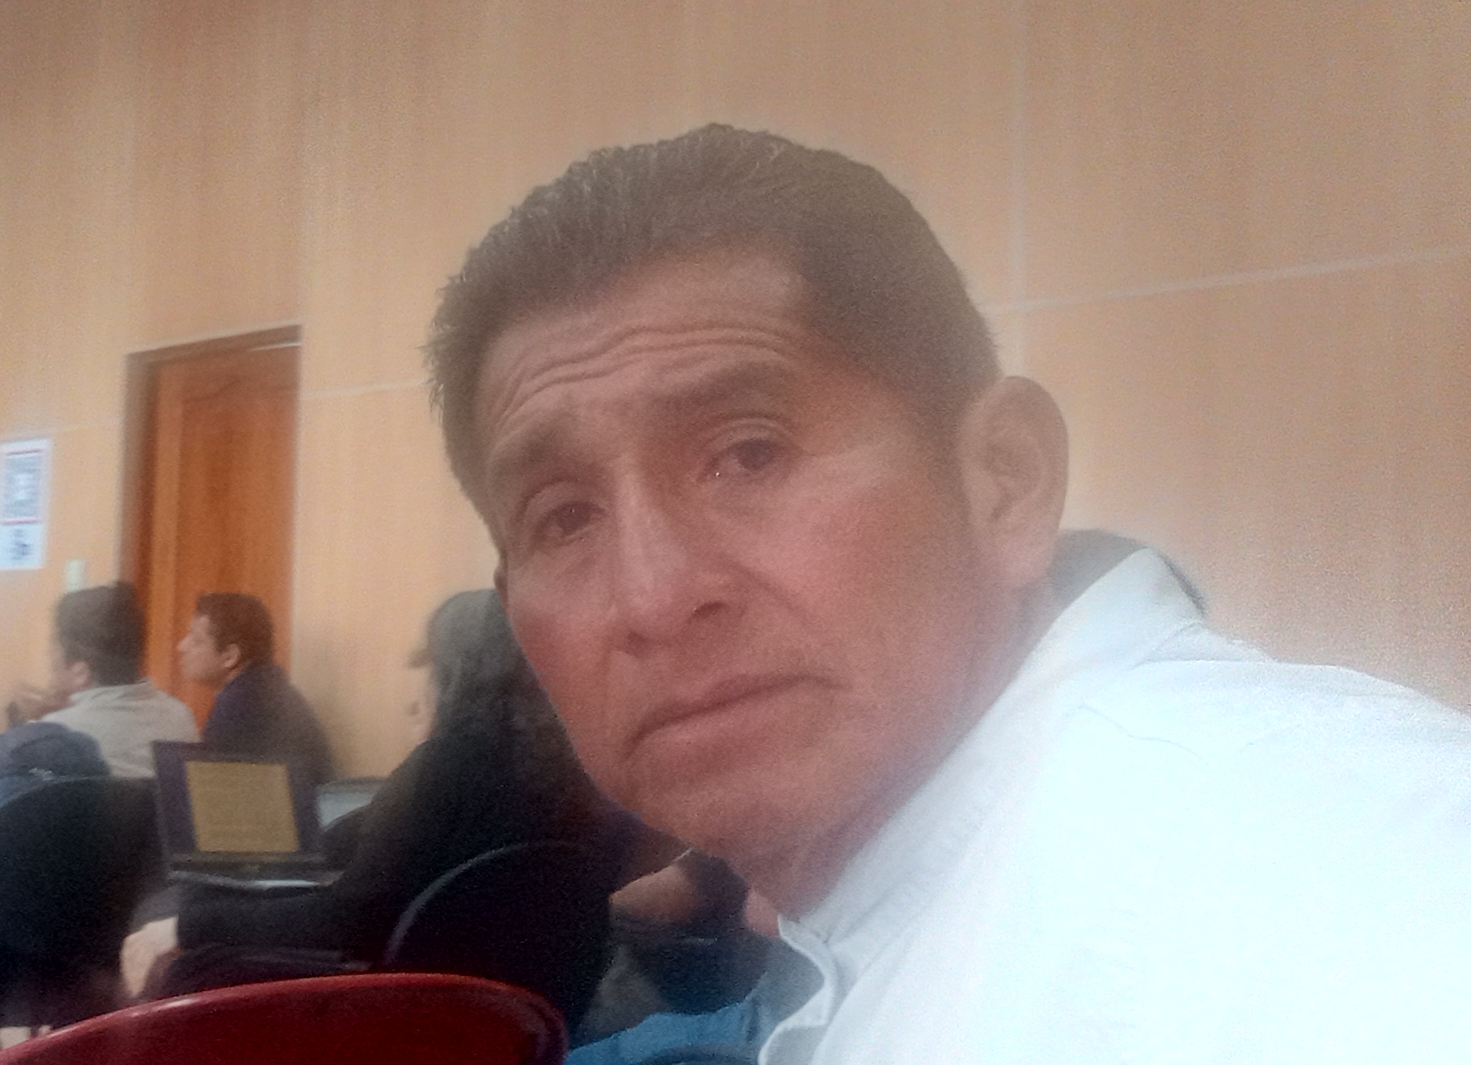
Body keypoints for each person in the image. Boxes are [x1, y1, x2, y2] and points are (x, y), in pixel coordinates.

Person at [426, 123, 1471, 1061]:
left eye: (749, 454)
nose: (652, 598)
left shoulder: (1324, 869)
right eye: (564, 517)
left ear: (1003, 481)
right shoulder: (917, 907)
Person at [126, 591, 641, 1000]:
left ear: (457, 674)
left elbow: (347, 920)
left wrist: (187, 929)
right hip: (516, 1018)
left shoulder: (449, 765)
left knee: (179, 945)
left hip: (397, 1006)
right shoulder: (585, 776)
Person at [22, 582, 197, 779]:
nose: (48, 655)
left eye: (53, 645)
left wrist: (32, 726)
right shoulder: (181, 718)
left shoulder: (54, 736)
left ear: (81, 672)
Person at [179, 591, 330, 789]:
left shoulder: (239, 708)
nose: (182, 646)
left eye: (197, 640)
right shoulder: (271, 691)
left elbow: (212, 794)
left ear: (230, 656)